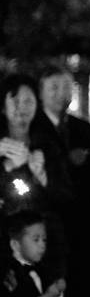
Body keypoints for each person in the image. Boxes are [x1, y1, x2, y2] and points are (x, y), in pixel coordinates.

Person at [32, 66, 90, 297]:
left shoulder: (83, 128)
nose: (60, 93)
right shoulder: (33, 129)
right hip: (47, 224)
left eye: (64, 87)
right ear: (41, 92)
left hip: (82, 222)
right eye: (53, 87)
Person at [0, 75, 71, 279]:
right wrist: (8, 166)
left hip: (44, 242)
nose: (21, 107)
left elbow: (66, 195)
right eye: (15, 100)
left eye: (28, 101)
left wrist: (43, 178)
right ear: (3, 106)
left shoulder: (47, 145)